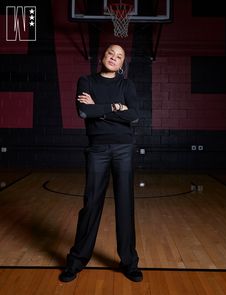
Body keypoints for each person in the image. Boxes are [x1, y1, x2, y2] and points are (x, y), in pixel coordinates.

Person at [59, 44, 143, 283]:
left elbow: (134, 116)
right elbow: (84, 112)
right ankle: (76, 262)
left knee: (124, 205)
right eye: (110, 53)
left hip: (124, 149)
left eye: (119, 57)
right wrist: (117, 107)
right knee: (91, 204)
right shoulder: (86, 81)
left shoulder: (127, 85)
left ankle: (129, 262)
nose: (114, 58)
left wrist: (100, 109)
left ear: (122, 64)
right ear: (102, 56)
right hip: (97, 150)